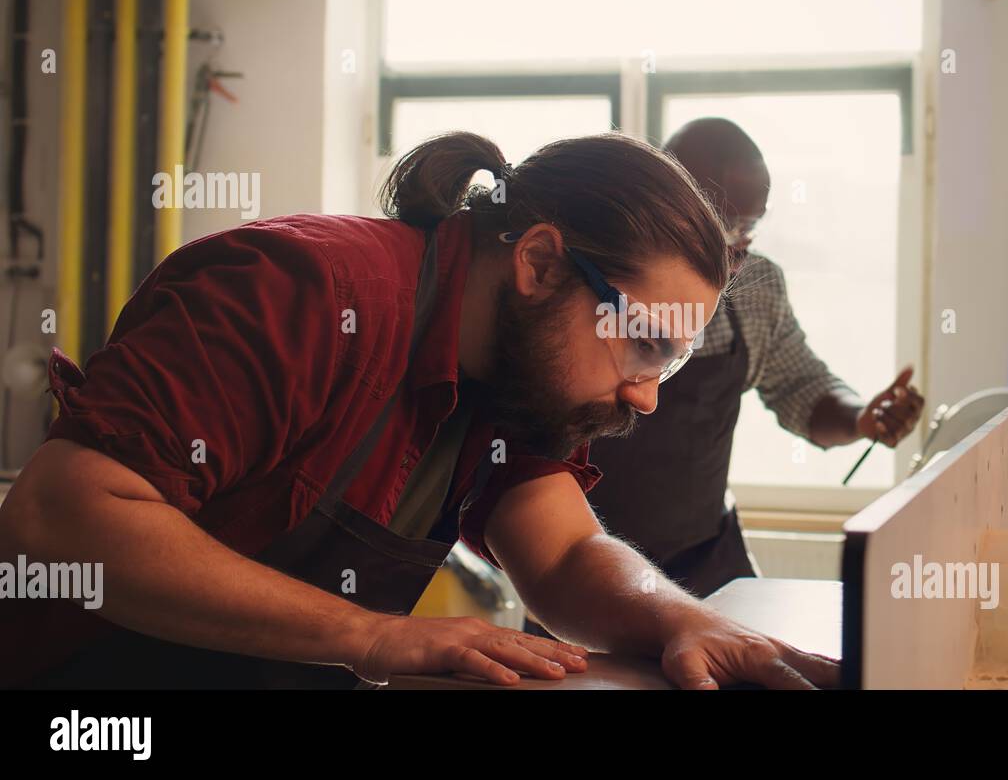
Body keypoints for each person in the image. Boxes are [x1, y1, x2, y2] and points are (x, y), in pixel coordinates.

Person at [0, 131, 838, 690]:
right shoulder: (296, 289)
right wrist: (370, 635)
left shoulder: (512, 375)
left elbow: (569, 552)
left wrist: (682, 620)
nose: (647, 395)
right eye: (645, 342)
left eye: (673, 358)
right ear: (542, 263)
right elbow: (63, 514)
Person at [586, 118, 925, 598]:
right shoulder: (598, 284)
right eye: (727, 223)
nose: (739, 244)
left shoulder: (754, 288)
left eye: (753, 224)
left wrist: (861, 418)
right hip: (586, 564)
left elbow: (800, 386)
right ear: (669, 199)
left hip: (706, 561)